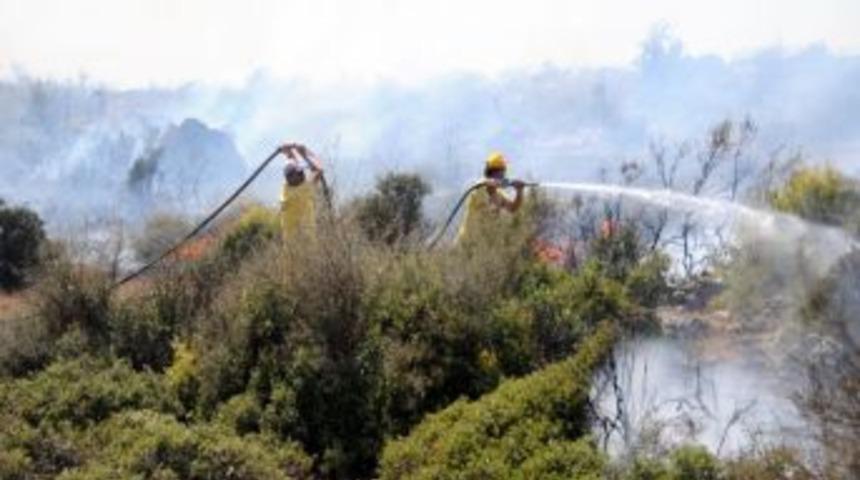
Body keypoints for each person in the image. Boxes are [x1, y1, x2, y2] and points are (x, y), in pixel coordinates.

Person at [456, 151, 526, 244]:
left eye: (503, 173)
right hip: (466, 242)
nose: (502, 176)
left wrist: (519, 191)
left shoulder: (499, 195)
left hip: (482, 245)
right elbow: (488, 182)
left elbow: (513, 208)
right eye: (499, 173)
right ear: (490, 173)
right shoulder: (478, 190)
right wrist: (506, 182)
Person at [279, 143, 324, 243]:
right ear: (291, 178)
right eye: (298, 173)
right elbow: (319, 169)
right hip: (307, 245)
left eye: (300, 172)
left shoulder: (285, 188)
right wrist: (304, 153)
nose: (302, 174)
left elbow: (292, 162)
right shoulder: (303, 190)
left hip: (292, 248)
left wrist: (289, 151)